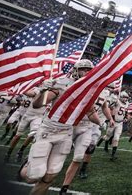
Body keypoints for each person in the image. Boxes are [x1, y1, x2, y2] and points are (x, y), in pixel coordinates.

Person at [19, 59, 101, 195]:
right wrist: (43, 92)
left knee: (50, 175)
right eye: (84, 69)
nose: (86, 72)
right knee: (33, 176)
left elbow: (90, 111)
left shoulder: (88, 90)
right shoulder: (62, 84)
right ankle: (26, 165)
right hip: (49, 130)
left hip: (66, 133)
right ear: (75, 70)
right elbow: (38, 104)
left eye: (89, 70)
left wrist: (101, 123)